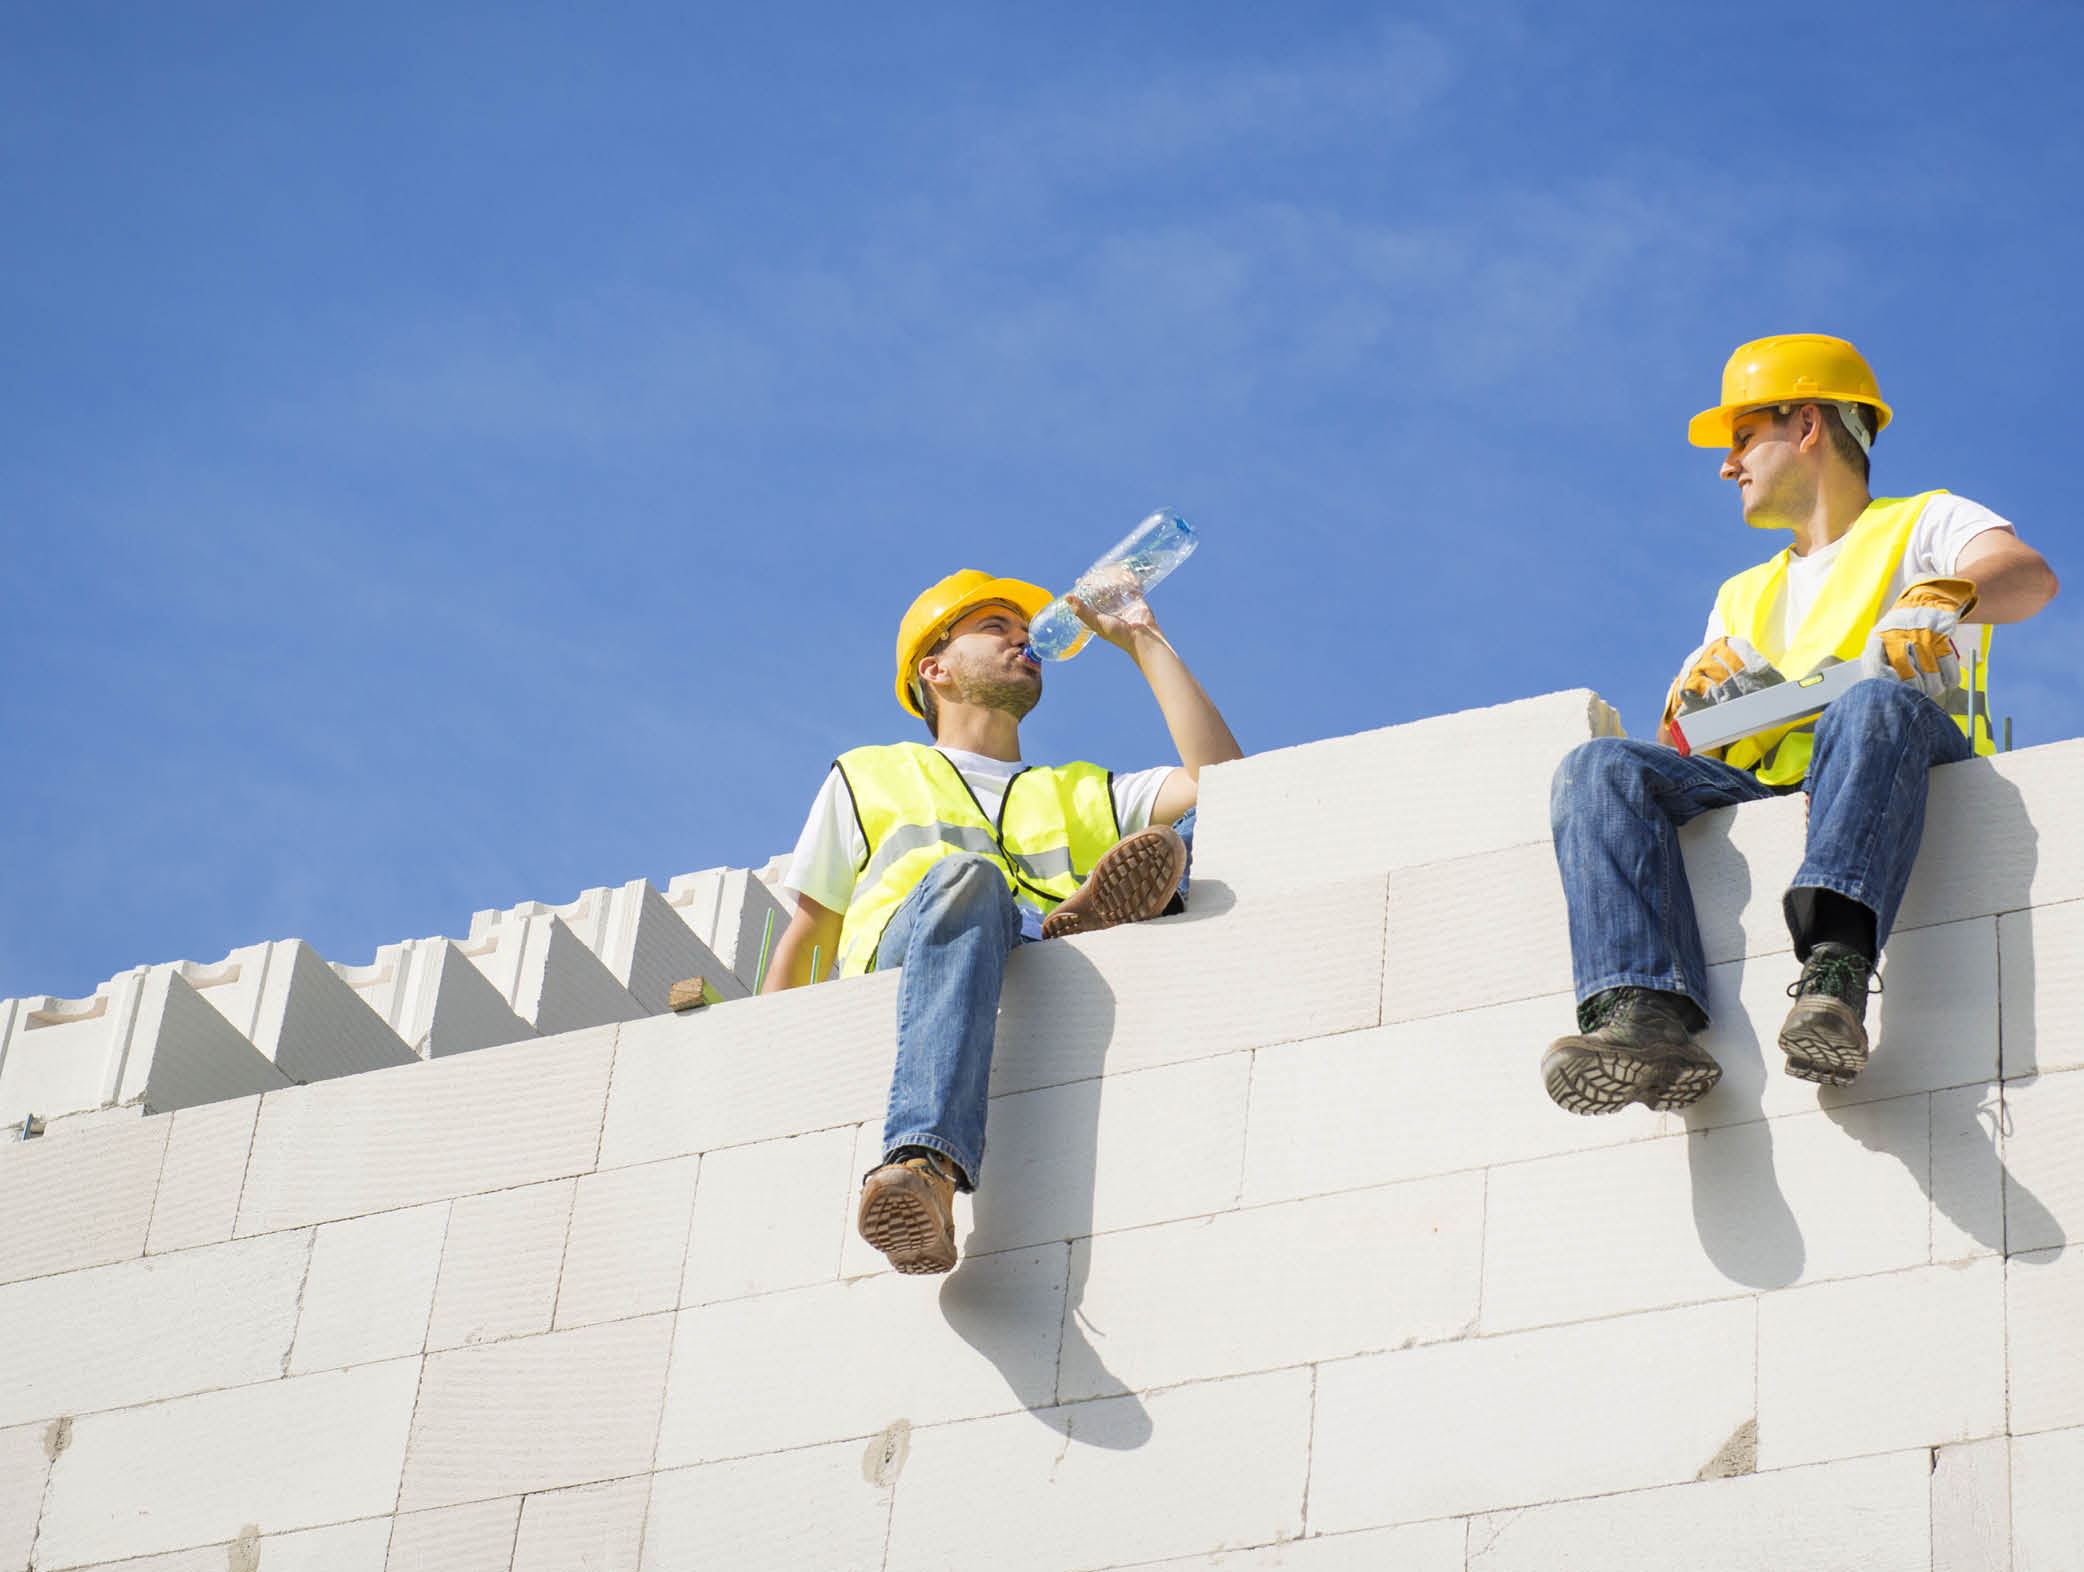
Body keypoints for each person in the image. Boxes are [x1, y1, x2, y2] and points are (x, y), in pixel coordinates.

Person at [1543, 334, 2059, 1114]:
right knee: (1599, 768)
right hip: (1771, 785)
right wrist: (1691, 703)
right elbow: (1685, 742)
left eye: (1744, 436)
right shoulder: (1742, 592)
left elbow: (2028, 576)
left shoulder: (1926, 521)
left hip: (1906, 758)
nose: (1728, 464)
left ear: (1809, 425)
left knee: (1873, 702)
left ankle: (1836, 972)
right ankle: (1644, 1012)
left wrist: (1943, 593)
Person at [763, 568, 1242, 1271]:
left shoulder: (1073, 788)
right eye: (996, 629)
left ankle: (1085, 919)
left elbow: (1231, 781)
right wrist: (763, 1058)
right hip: (922, 958)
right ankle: (926, 1163)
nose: (1025, 641)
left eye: (1025, 631)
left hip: (1033, 955)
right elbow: (808, 936)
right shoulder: (868, 774)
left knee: (1202, 823)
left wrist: (1141, 638)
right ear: (936, 668)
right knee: (969, 877)